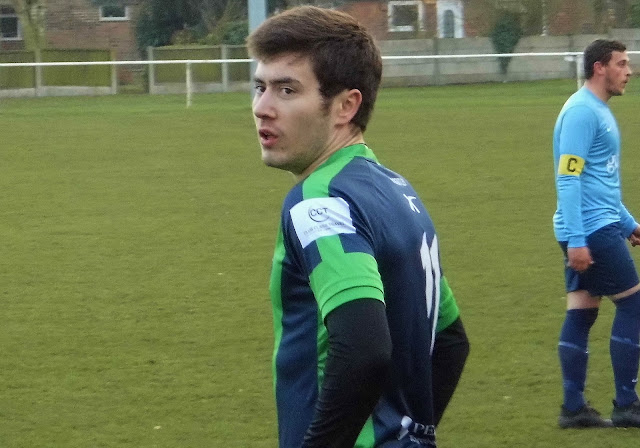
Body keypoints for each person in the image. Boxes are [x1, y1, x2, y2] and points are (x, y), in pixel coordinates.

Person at [248, 6, 466, 447]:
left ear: (346, 106)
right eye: (260, 87)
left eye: (287, 90)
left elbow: (363, 349)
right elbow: (450, 341)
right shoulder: (396, 191)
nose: (262, 108)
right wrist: (411, 435)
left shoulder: (320, 201)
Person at [553, 39, 640, 429]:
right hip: (590, 230)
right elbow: (568, 178)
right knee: (634, 306)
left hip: (596, 225)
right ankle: (627, 405)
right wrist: (576, 239)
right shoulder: (582, 113)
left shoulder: (598, 111)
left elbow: (601, 185)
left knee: (582, 312)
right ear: (599, 68)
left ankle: (573, 410)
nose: (629, 71)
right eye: (621, 64)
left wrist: (629, 224)